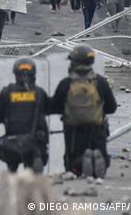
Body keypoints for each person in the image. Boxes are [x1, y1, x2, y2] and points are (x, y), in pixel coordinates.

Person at [49, 45, 117, 178]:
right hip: (97, 133)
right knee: (101, 153)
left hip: (73, 134)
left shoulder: (66, 83)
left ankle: (77, 165)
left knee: (71, 165)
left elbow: (55, 107)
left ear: (73, 63)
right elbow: (112, 108)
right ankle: (97, 158)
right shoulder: (101, 82)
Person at [0, 58, 49, 173]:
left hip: (12, 143)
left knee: (3, 148)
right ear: (34, 75)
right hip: (34, 142)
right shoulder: (39, 93)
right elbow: (47, 110)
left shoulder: (6, 92)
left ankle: (12, 172)